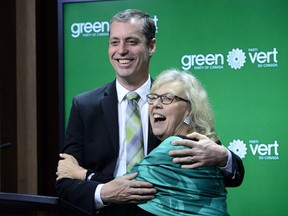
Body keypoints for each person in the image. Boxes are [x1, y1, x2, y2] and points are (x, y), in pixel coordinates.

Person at [56, 9, 244, 215]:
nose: (121, 50)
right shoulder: (84, 106)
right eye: (114, 42)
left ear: (151, 46)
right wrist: (103, 192)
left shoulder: (176, 102)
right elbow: (65, 182)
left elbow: (223, 171)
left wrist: (224, 157)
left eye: (132, 42)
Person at [58, 69, 230, 215]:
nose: (156, 105)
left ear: (189, 110)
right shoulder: (203, 143)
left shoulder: (175, 147)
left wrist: (80, 173)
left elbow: (129, 186)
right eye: (153, 98)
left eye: (167, 98)